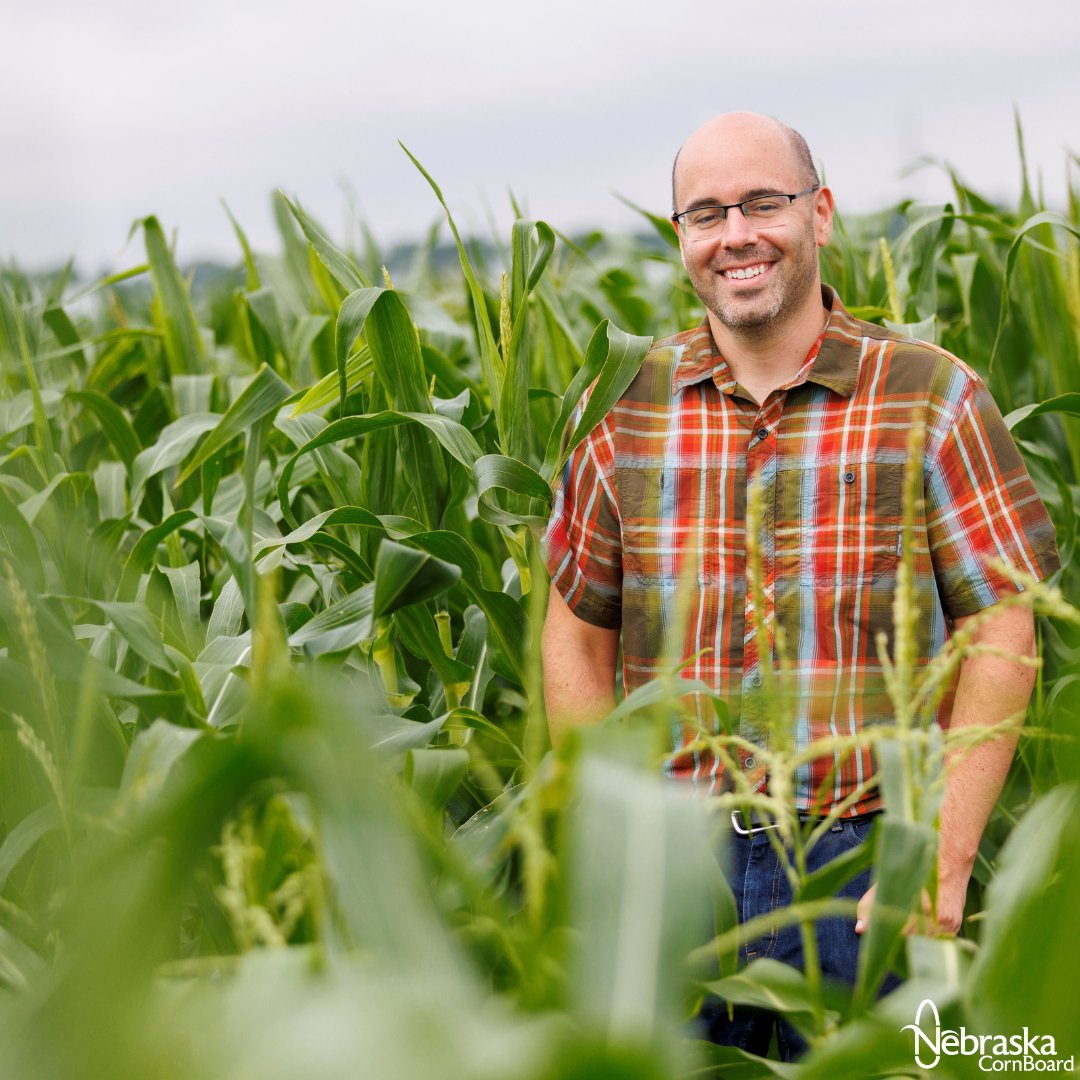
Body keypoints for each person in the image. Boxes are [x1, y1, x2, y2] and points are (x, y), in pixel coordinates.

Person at [540, 112, 1061, 1059]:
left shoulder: (929, 396)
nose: (735, 234)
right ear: (681, 238)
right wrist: (605, 837)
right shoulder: (621, 407)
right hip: (674, 868)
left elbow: (1003, 630)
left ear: (819, 213)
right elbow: (577, 636)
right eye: (706, 214)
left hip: (863, 866)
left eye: (762, 204)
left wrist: (942, 854)